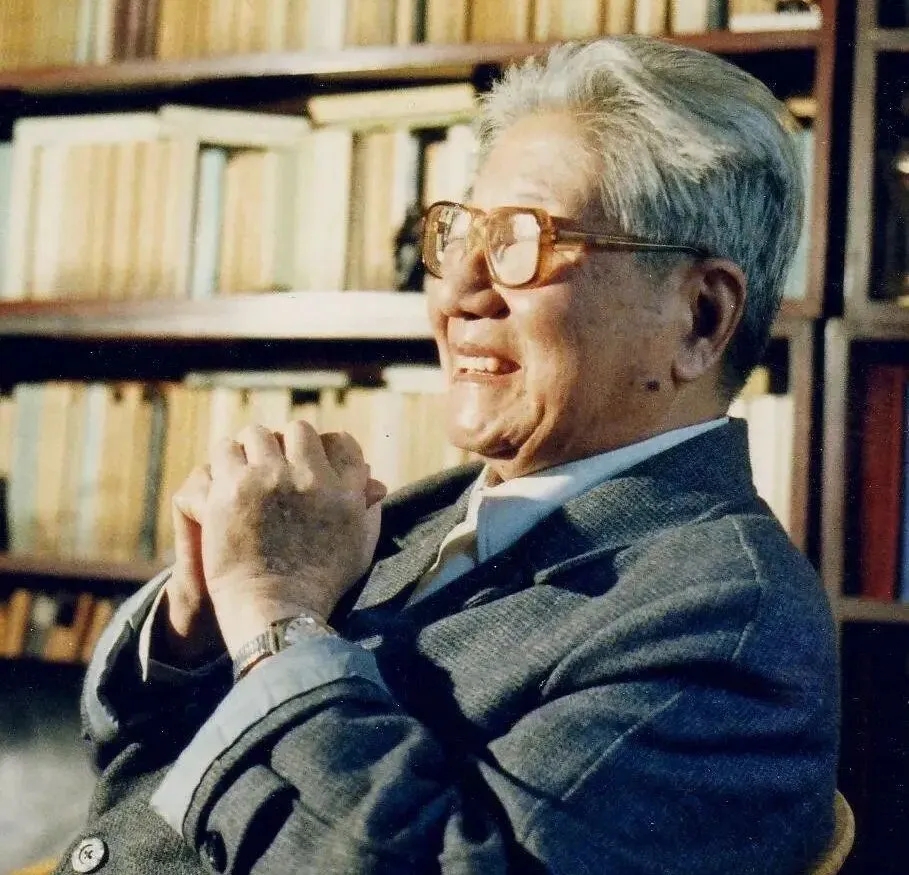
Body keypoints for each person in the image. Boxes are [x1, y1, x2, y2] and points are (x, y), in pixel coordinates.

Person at [59, 36, 838, 875]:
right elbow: (138, 779)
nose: (456, 290)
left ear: (698, 318)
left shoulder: (731, 621)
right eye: (460, 232)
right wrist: (200, 624)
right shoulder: (434, 507)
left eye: (522, 240)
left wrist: (276, 618)